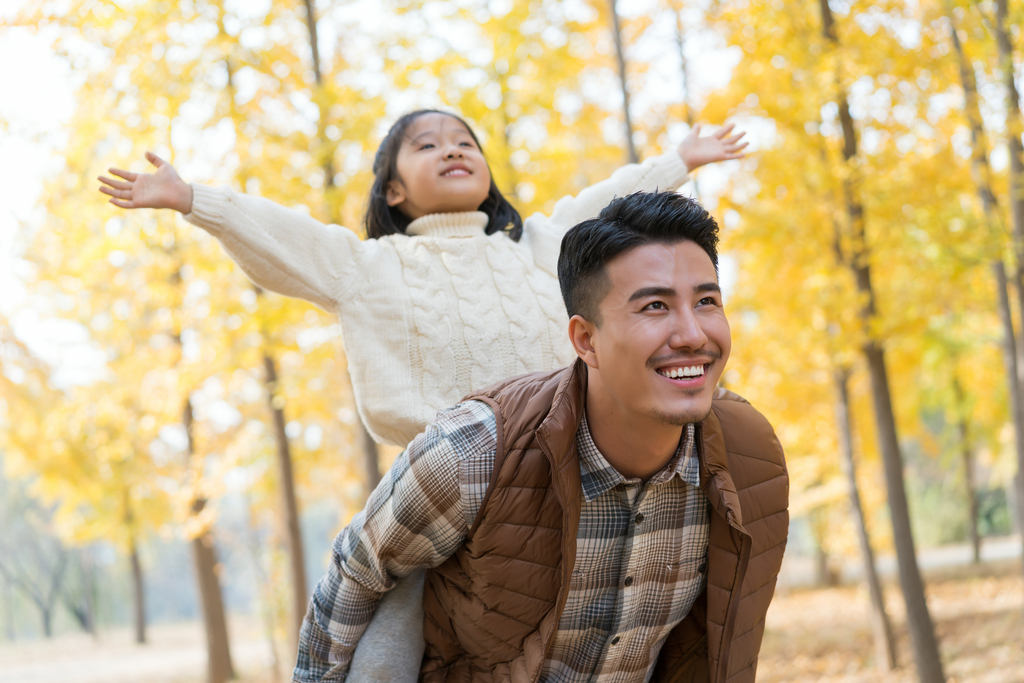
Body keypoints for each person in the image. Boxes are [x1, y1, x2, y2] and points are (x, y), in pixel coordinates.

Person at [296, 190, 789, 683]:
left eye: (706, 301)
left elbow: (726, 644)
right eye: (655, 306)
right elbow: (353, 578)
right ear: (585, 340)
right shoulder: (474, 452)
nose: (691, 334)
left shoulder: (751, 457)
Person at [97, 109, 746, 448]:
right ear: (395, 190)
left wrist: (679, 159)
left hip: (564, 445)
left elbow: (603, 198)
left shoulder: (539, 244)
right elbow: (281, 233)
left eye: (465, 141)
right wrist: (193, 199)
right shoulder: (365, 267)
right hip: (446, 471)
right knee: (380, 608)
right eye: (428, 145)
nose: (454, 149)